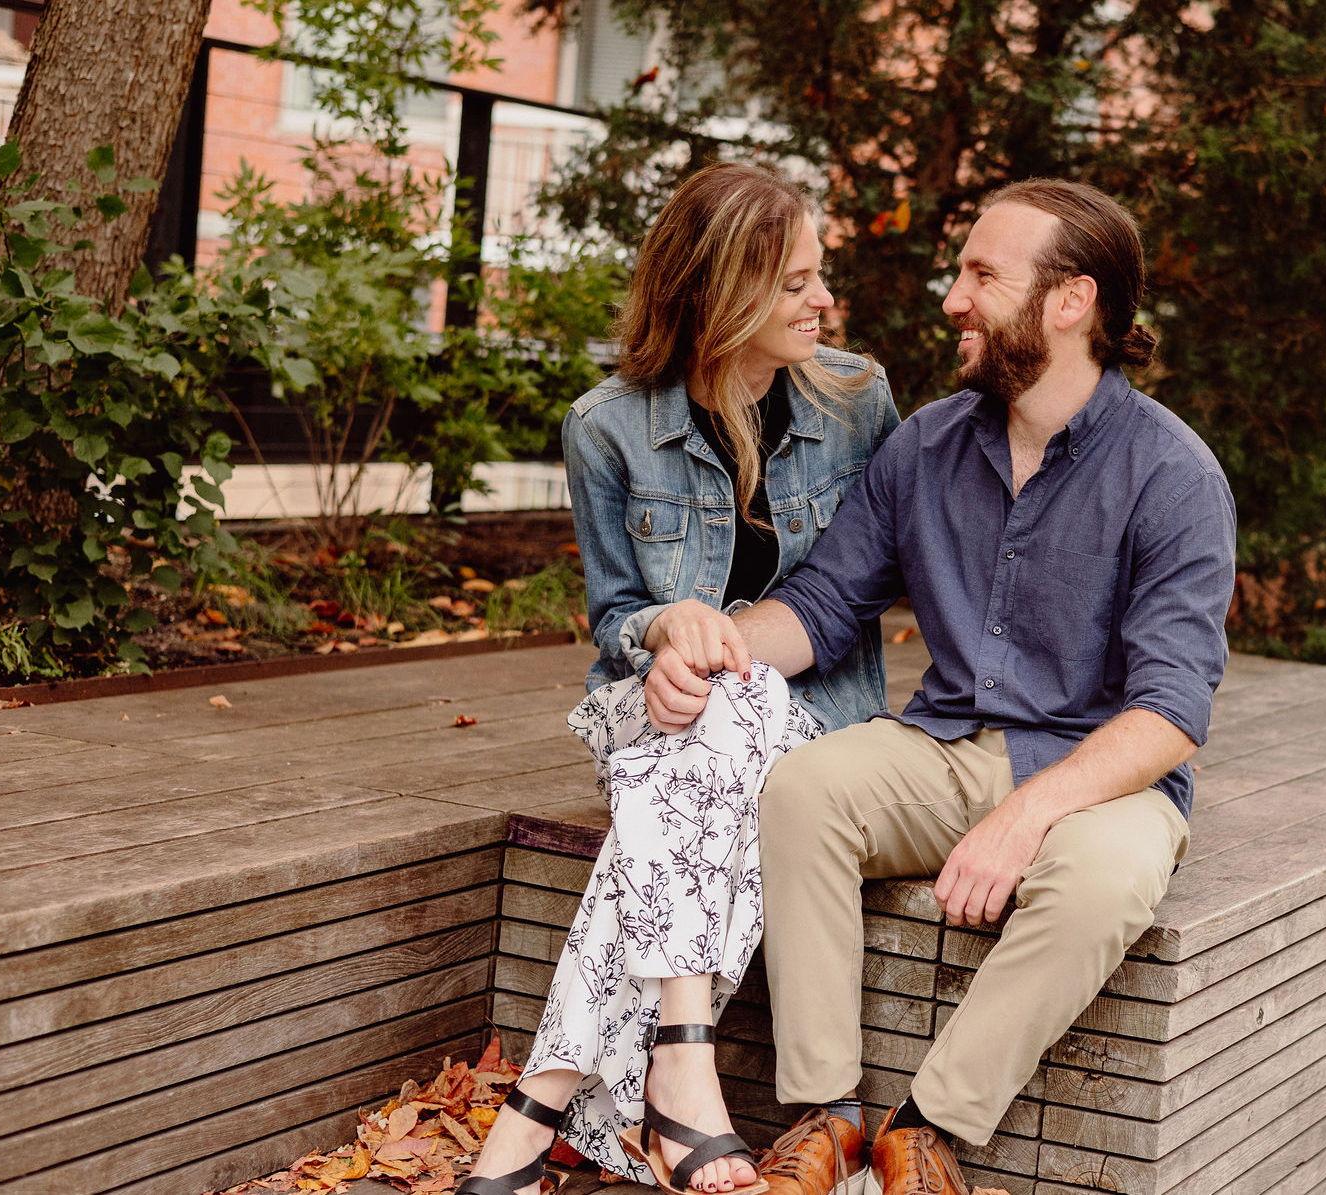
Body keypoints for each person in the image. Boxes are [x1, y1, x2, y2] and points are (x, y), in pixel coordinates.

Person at [641, 179, 1237, 1195]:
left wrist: (1025, 817)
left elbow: (1171, 710)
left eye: (981, 276)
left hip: (1100, 777)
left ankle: (925, 1131)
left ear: (1070, 301)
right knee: (805, 787)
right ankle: (826, 1119)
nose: (953, 299)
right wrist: (705, 642)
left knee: (1102, 880)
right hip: (947, 743)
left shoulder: (1172, 475)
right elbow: (824, 605)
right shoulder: (926, 444)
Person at [455, 162, 899, 1195]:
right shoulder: (606, 425)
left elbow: (867, 584)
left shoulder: (856, 400)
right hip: (654, 715)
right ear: (720, 290)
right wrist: (664, 630)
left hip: (810, 715)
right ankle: (676, 1071)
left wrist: (719, 653)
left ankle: (540, 1106)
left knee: (728, 706)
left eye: (819, 276)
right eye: (796, 282)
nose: (824, 300)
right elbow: (615, 613)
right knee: (707, 719)